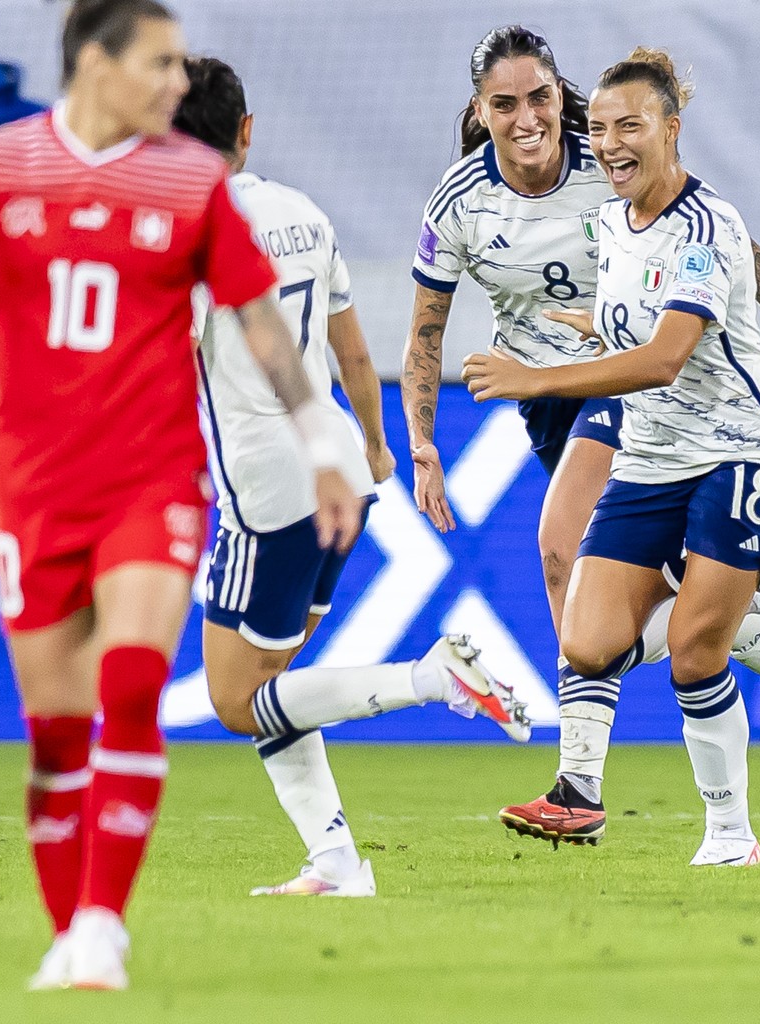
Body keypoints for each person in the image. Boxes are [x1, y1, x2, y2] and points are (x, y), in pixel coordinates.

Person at [0, 0, 362, 990]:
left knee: (134, 682)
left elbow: (265, 329)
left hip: (151, 480)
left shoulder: (194, 185)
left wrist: (323, 437)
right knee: (57, 727)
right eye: (159, 63)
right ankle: (73, 928)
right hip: (34, 489)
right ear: (97, 65)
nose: (176, 84)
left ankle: (104, 921)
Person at [400, 26, 760, 846]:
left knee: (564, 551)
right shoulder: (474, 204)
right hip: (570, 405)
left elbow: (699, 300)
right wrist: (423, 443)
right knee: (611, 634)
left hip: (652, 402)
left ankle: (586, 787)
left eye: (542, 97)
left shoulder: (635, 182)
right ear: (480, 111)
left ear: (563, 97)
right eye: (504, 103)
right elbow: (425, 336)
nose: (528, 118)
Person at [172, 57, 531, 899]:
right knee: (277, 691)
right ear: (247, 130)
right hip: (340, 474)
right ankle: (334, 859)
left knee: (236, 700)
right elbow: (355, 351)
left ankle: (435, 678)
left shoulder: (188, 236)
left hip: (266, 494)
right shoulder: (300, 213)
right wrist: (376, 446)